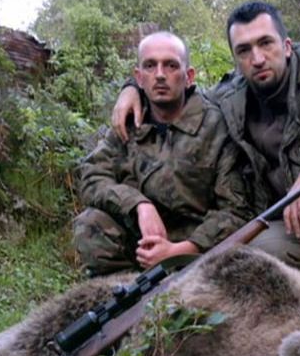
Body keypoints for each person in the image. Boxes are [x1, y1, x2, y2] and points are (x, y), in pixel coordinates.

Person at [112, 1, 300, 306]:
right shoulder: (226, 99)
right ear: (235, 59)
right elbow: (174, 94)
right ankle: (298, 324)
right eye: (244, 50)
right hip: (284, 232)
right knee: (254, 252)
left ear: (287, 46)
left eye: (266, 43)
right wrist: (131, 88)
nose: (257, 59)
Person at [74, 31, 251, 274]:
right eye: (150, 66)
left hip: (196, 247)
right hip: (140, 241)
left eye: (171, 65)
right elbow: (91, 177)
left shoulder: (217, 126)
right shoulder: (128, 124)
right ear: (139, 78)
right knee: (91, 223)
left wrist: (181, 251)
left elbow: (236, 210)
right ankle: (126, 289)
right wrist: (138, 204)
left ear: (188, 76)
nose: (159, 75)